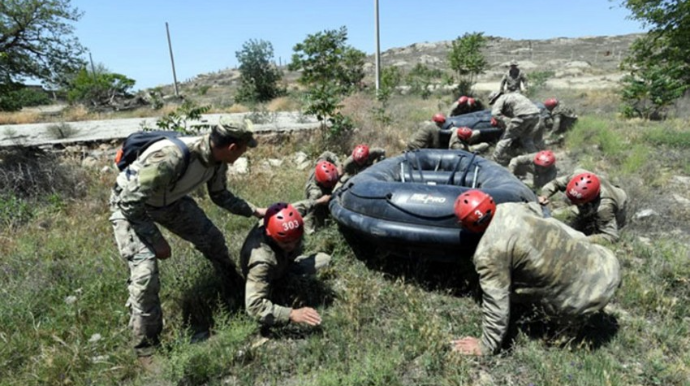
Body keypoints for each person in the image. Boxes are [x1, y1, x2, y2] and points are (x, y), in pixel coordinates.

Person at [109, 123, 267, 359]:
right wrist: (156, 240)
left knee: (212, 239)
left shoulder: (217, 160)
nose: (243, 154)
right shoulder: (170, 158)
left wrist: (255, 211)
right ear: (233, 147)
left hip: (169, 202)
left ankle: (233, 286)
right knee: (145, 273)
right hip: (130, 207)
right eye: (244, 149)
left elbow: (220, 195)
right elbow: (130, 202)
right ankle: (145, 345)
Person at [450, 190, 621, 356]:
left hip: (586, 300)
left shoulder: (489, 252)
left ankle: (572, 325)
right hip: (609, 268)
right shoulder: (512, 208)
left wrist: (487, 345)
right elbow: (537, 208)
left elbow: (496, 300)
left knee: (512, 289)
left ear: (465, 225)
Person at [240, 200, 332, 327]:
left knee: (325, 260)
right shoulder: (261, 262)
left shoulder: (289, 217)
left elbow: (303, 205)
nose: (292, 245)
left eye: (296, 240)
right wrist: (291, 314)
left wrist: (322, 200)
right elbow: (254, 306)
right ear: (271, 235)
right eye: (286, 243)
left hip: (285, 264)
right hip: (271, 279)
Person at [539, 169, 628, 243]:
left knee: (605, 226)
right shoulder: (577, 177)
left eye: (576, 202)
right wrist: (544, 195)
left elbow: (611, 236)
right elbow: (555, 183)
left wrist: (582, 239)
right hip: (591, 201)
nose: (572, 203)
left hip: (619, 205)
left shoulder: (604, 208)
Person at [488, 91, 541, 166]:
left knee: (505, 139)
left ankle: (494, 160)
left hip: (522, 116)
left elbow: (495, 113)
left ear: (494, 99)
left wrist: (506, 120)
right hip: (536, 115)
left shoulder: (500, 99)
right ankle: (536, 159)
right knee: (527, 139)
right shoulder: (516, 95)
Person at [304, 152, 341, 233]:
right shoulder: (316, 192)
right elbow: (308, 205)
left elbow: (327, 153)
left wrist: (338, 165)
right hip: (317, 197)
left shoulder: (320, 163)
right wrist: (321, 201)